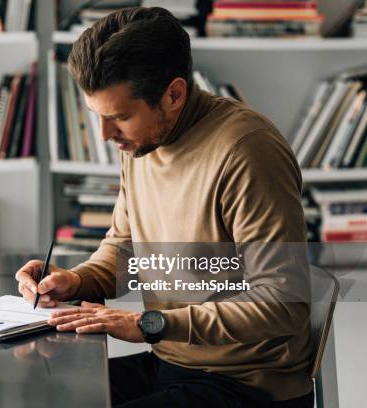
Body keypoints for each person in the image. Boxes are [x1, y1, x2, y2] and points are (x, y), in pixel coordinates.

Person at [15, 7, 313, 408]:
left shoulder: (247, 151)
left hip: (246, 382)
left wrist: (152, 324)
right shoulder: (141, 142)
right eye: (97, 117)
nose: (105, 135)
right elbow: (123, 250)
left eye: (119, 116)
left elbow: (283, 304)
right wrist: (75, 280)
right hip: (171, 362)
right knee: (33, 395)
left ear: (173, 94)